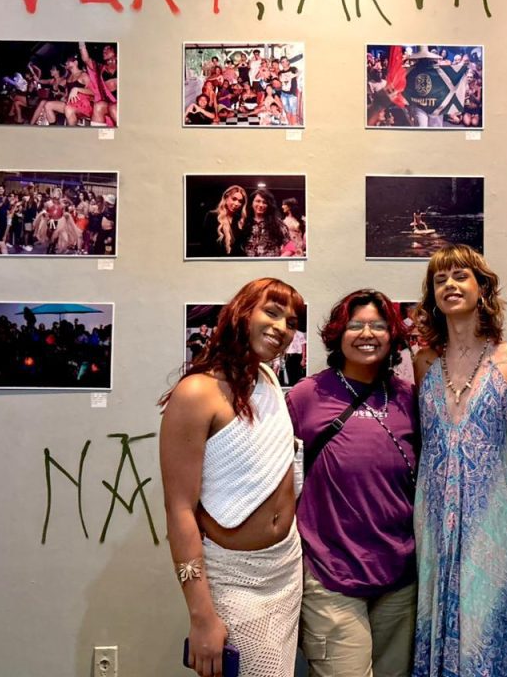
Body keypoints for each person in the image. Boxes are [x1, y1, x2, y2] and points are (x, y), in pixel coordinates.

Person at [158, 278, 305, 677]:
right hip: (234, 578)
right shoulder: (196, 393)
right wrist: (201, 615)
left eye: (291, 322)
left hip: (287, 567)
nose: (282, 328)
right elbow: (179, 510)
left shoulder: (268, 378)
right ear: (242, 313)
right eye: (271, 313)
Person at [287, 289, 419, 677]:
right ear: (338, 334)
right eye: (355, 325)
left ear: (392, 336)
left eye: (378, 325)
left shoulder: (409, 398)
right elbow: (278, 479)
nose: (367, 334)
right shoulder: (307, 396)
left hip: (400, 575)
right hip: (331, 573)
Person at [411, 245, 507, 677]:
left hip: (491, 518)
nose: (450, 285)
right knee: (434, 616)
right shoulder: (424, 361)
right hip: (433, 516)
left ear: (483, 288)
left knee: (487, 627)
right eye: (440, 279)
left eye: (461, 276)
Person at [201, 185, 248, 257]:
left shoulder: (239, 219)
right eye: (234, 199)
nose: (236, 204)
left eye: (240, 201)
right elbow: (206, 245)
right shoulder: (212, 216)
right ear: (226, 198)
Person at [244, 188, 290, 258]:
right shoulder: (244, 222)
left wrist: (279, 260)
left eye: (264, 202)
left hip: (270, 263)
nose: (261, 205)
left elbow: (290, 246)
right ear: (252, 203)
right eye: (258, 201)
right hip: (249, 263)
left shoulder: (277, 223)